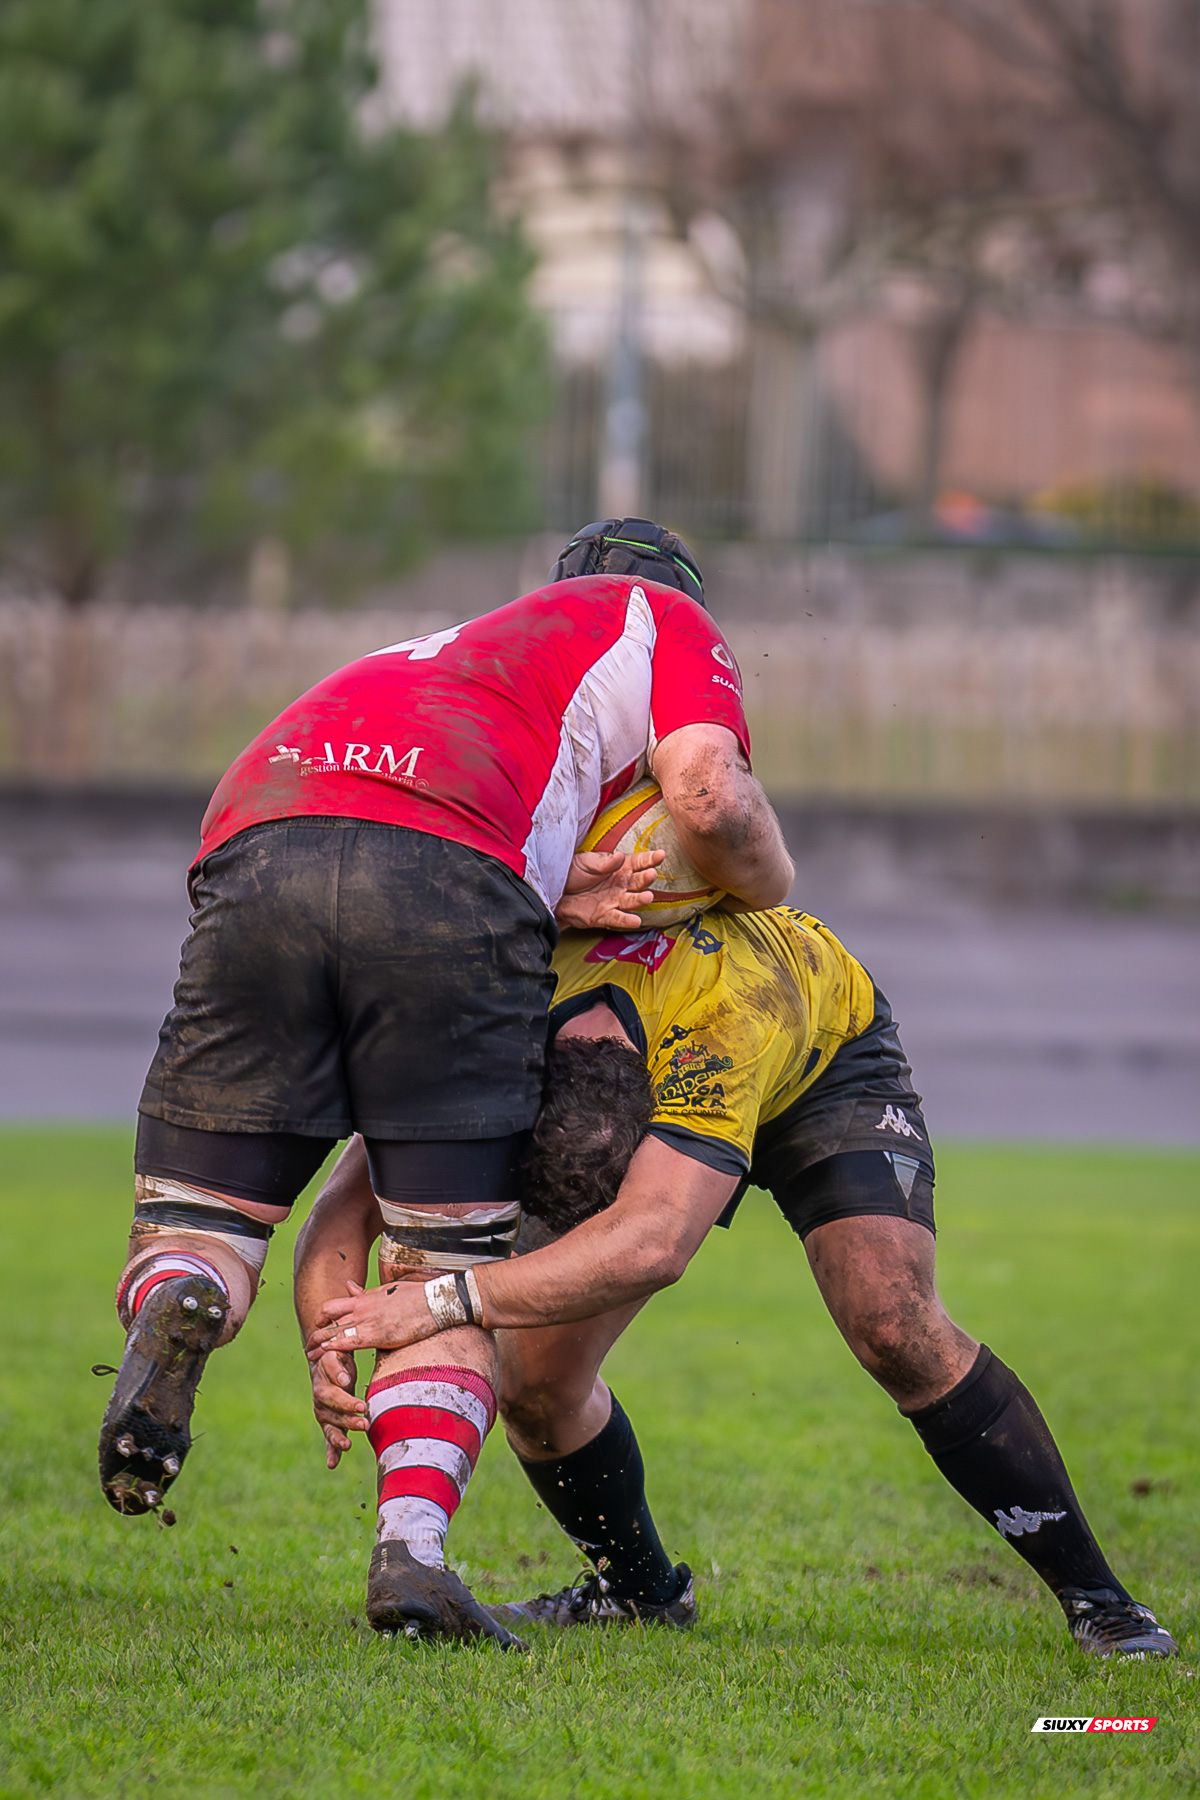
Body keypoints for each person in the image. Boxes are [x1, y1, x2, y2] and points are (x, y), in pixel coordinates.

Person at [98, 511, 794, 1639]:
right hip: (442, 868)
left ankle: (187, 1293)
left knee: (204, 1218)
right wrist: (771, 882)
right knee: (444, 1253)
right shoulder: (660, 615)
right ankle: (411, 1553)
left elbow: (391, 810)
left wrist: (546, 892)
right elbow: (710, 794)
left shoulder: (447, 653)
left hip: (259, 835)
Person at [305, 905, 1180, 1661]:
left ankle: (1104, 1605)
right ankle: (642, 1596)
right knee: (536, 1386)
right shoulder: (496, 1018)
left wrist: (448, 1297)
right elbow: (348, 1205)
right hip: (642, 1067)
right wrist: (328, 1339)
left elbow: (652, 1242)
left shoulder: (716, 1036)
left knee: (894, 1324)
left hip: (816, 1049)